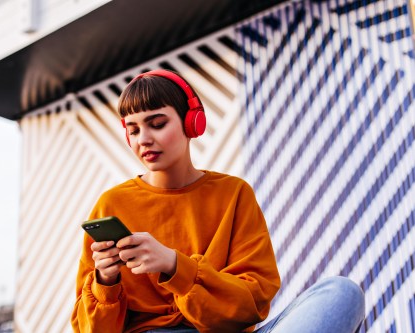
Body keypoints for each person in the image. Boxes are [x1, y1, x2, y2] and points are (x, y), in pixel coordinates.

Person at [71, 69, 365, 333]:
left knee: (341, 293)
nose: (143, 139)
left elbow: (252, 303)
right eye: (133, 130)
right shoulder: (112, 203)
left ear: (192, 122)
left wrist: (174, 266)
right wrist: (105, 282)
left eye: (157, 123)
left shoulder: (234, 194)